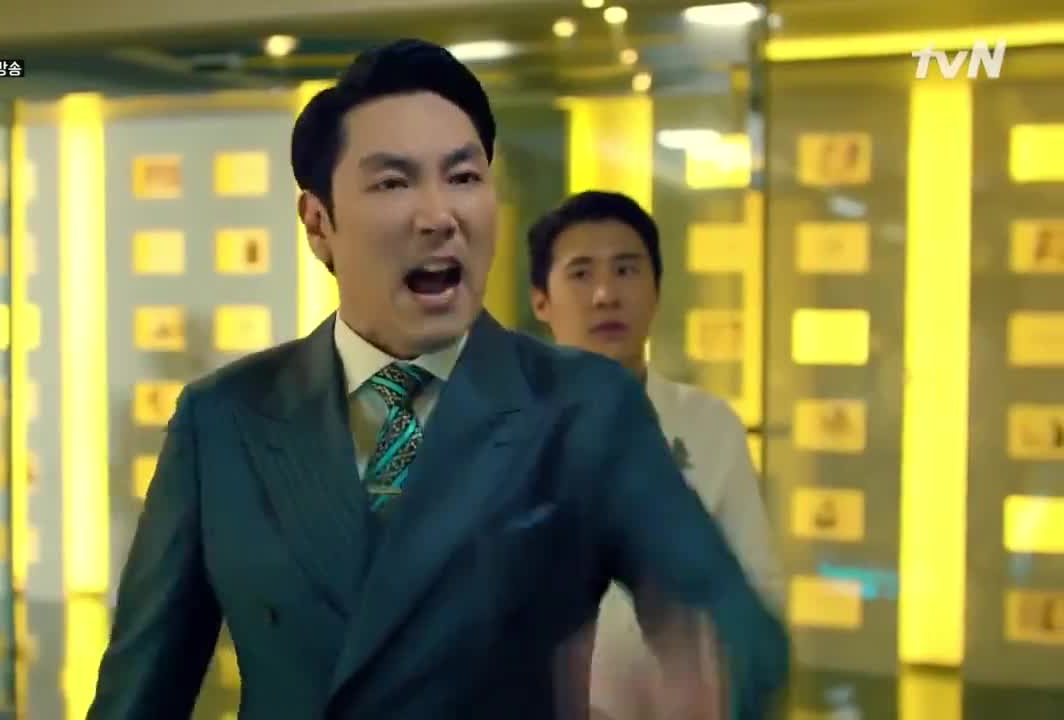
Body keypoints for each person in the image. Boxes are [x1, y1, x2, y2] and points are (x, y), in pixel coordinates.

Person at [86, 39, 788, 720]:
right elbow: (141, 690)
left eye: (463, 177)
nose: (439, 216)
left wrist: (709, 677)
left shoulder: (583, 408)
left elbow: (730, 624)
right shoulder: (224, 419)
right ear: (319, 223)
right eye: (394, 182)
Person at [527, 190, 784, 719]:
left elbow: (756, 585)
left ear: (657, 290)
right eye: (581, 273)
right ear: (541, 301)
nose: (606, 294)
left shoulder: (710, 425)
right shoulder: (503, 431)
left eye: (626, 270)